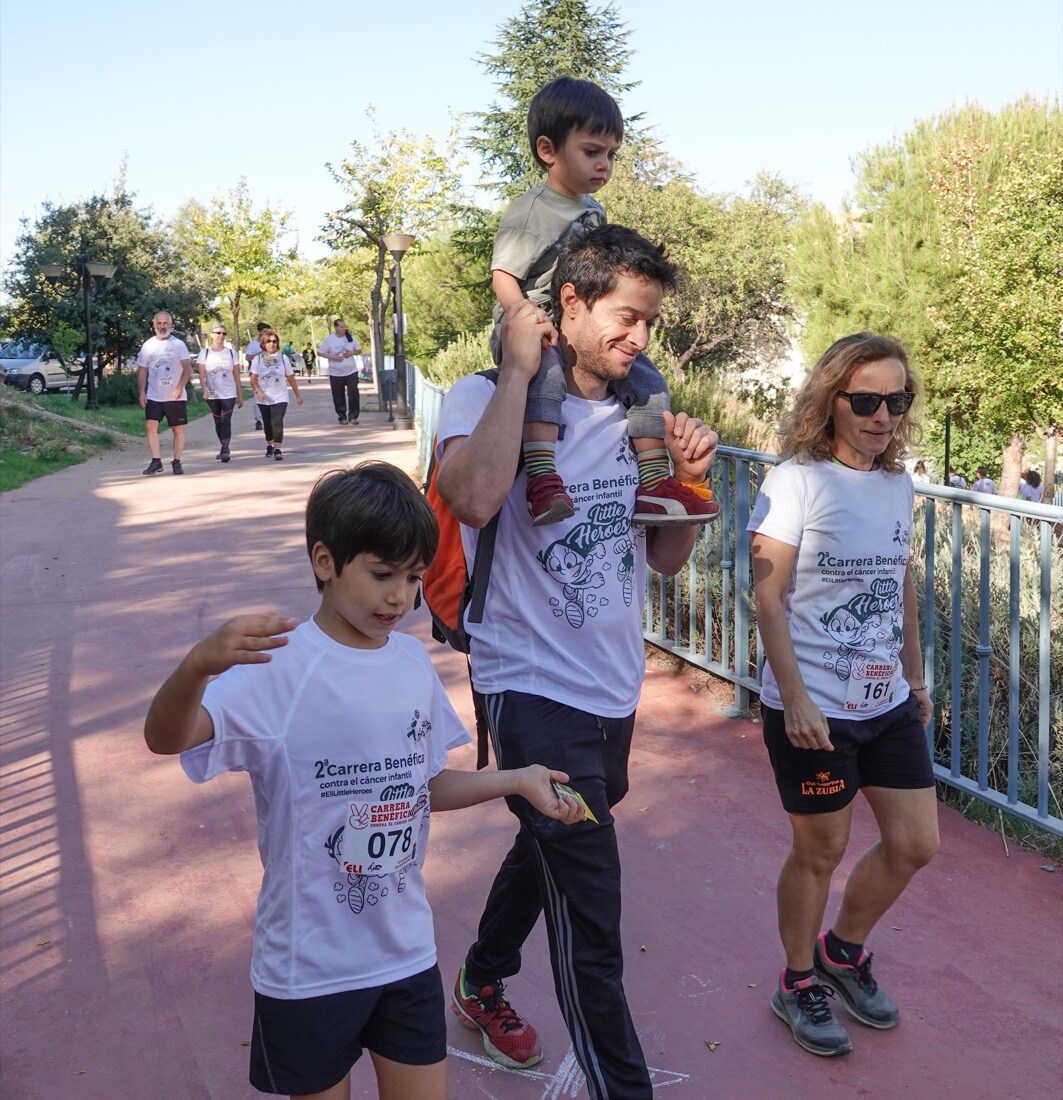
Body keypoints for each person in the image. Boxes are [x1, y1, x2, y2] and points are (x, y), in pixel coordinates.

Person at [144, 461, 585, 1100]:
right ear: (325, 561)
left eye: (412, 578)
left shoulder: (410, 662)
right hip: (309, 966)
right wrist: (194, 670)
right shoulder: (279, 666)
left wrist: (515, 780)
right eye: (382, 575)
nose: (399, 598)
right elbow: (167, 739)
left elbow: (422, 788)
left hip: (404, 953)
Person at [436, 224, 718, 1098]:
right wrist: (519, 370)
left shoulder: (639, 417)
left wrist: (691, 478)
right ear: (569, 303)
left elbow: (663, 558)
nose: (639, 338)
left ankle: (481, 977)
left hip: (608, 677)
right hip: (525, 680)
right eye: (625, 318)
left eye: (649, 322)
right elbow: (475, 500)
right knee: (594, 914)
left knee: (564, 832)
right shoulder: (479, 396)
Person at [748, 332, 939, 1058]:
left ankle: (843, 950)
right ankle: (798, 980)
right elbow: (768, 599)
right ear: (830, 399)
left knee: (915, 843)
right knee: (820, 848)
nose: (882, 414)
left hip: (884, 699)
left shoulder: (897, 483)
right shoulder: (796, 480)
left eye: (896, 400)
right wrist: (792, 696)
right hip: (813, 705)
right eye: (865, 400)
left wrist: (914, 677)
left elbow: (899, 583)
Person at [489, 77, 718, 529]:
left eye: (611, 155)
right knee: (548, 377)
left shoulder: (592, 209)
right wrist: (527, 322)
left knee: (648, 380)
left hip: (570, 321)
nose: (604, 165)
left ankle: (654, 483)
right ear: (548, 150)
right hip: (528, 326)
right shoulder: (533, 211)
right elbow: (503, 276)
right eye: (592, 152)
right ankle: (542, 479)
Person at [136, 311, 192, 475]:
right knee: (150, 426)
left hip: (175, 395)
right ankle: (156, 461)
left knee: (177, 429)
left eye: (165, 323)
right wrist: (141, 392)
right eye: (159, 323)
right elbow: (142, 370)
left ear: (171, 325)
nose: (162, 326)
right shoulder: (148, 345)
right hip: (154, 395)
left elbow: (188, 367)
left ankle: (177, 462)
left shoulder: (178, 345)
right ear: (154, 325)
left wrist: (180, 386)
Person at [250, 330, 303, 462]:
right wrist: (258, 391)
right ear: (264, 343)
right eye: (269, 341)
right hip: (264, 397)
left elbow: (290, 377)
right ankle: (270, 444)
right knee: (267, 423)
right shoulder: (258, 359)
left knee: (277, 420)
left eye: (274, 341)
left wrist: (298, 395)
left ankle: (278, 448)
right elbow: (253, 379)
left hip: (280, 395)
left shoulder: (283, 358)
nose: (272, 344)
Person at [197, 323, 243, 462]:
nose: (221, 336)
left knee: (225, 420)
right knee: (218, 421)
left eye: (223, 333)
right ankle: (224, 445)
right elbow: (201, 374)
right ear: (212, 334)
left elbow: (236, 375)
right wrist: (204, 389)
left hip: (228, 393)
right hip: (212, 393)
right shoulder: (204, 353)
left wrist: (240, 395)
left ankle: (224, 449)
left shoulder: (231, 353)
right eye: (218, 333)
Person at [318, 318, 362, 425]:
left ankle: (353, 416)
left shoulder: (350, 337)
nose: (343, 328)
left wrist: (351, 353)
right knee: (338, 395)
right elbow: (320, 352)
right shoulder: (330, 339)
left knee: (353, 393)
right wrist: (332, 357)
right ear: (336, 328)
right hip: (336, 373)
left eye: (344, 326)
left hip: (351, 371)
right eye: (341, 327)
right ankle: (342, 417)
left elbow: (359, 350)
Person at [245, 323, 270, 430]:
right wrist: (259, 355)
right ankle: (259, 420)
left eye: (268, 331)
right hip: (256, 375)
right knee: (258, 396)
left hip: (268, 374)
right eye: (264, 331)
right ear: (259, 332)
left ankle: (269, 418)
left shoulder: (270, 343)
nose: (266, 333)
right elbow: (248, 357)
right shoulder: (253, 345)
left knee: (269, 395)